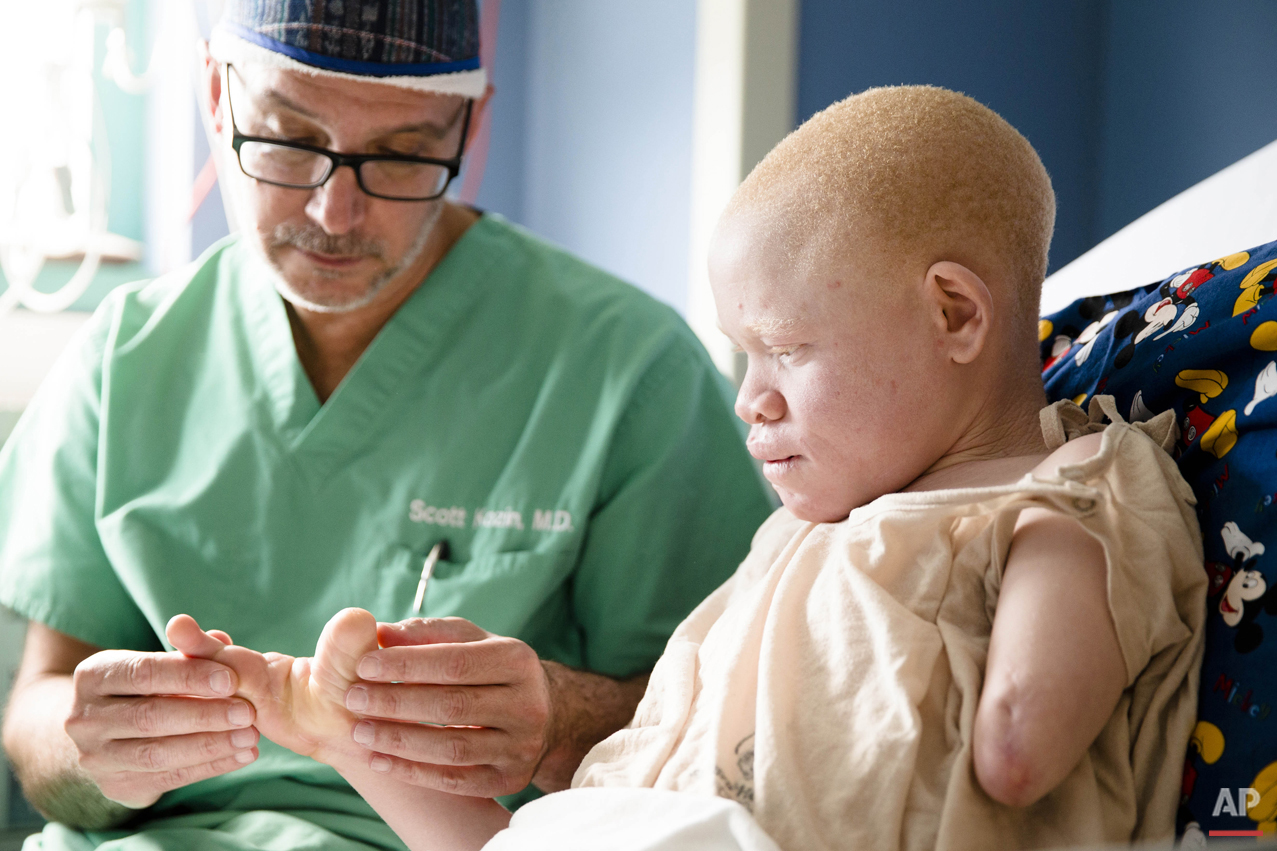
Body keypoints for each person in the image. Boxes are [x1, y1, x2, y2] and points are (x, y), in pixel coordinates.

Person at [156, 85, 1211, 851]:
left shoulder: (1057, 505)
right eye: (744, 353)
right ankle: (344, 732)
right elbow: (635, 768)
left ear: (953, 313)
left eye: (788, 349)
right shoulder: (797, 537)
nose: (749, 395)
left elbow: (1019, 748)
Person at [0, 2, 773, 849]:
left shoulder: (625, 368)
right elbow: (39, 709)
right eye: (290, 143)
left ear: (469, 131)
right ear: (216, 95)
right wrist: (92, 748)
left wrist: (556, 720)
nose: (335, 212)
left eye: (401, 156)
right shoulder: (124, 360)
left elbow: (734, 726)